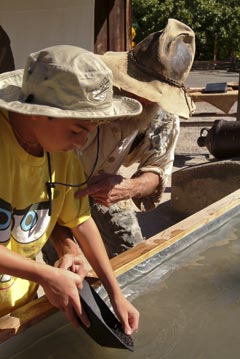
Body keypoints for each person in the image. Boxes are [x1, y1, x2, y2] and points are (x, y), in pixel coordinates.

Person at [0, 44, 141, 334]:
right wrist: (44, 273)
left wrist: (115, 293)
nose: (80, 143)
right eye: (77, 130)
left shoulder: (61, 153)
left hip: (16, 307)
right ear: (38, 112)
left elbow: (81, 220)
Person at [71, 19, 196, 257]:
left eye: (154, 94)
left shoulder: (162, 112)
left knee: (136, 256)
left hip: (102, 184)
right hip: (51, 186)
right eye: (140, 87)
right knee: (61, 260)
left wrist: (129, 187)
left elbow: (157, 170)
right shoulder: (86, 89)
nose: (146, 100)